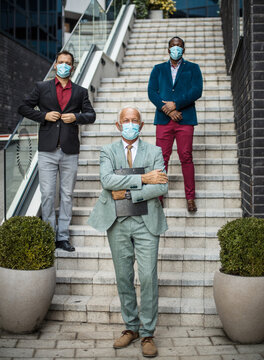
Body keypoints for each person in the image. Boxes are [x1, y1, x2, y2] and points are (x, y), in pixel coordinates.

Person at [88, 107, 168, 358]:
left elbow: (162, 185)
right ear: (117, 124)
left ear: (142, 125)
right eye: (126, 121)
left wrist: (129, 191)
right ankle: (130, 328)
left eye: (135, 121)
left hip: (146, 221)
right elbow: (107, 182)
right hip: (118, 221)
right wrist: (144, 178)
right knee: (123, 277)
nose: (130, 124)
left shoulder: (155, 151)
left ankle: (147, 333)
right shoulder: (107, 151)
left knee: (147, 277)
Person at [18, 50, 96, 252]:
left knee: (67, 195)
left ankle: (62, 237)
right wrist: (43, 116)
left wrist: (76, 117)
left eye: (67, 63)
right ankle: (48, 236)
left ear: (72, 66)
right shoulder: (41, 87)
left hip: (70, 150)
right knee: (47, 195)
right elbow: (23, 107)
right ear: (55, 65)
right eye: (60, 62)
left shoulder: (80, 91)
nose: (63, 65)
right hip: (47, 150)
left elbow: (91, 115)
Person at [148, 36, 203, 212]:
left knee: (186, 156)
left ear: (183, 49)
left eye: (179, 46)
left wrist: (176, 104)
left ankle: (190, 197)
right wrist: (168, 109)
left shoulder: (193, 68)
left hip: (185, 119)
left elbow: (197, 91)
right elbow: (151, 92)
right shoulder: (158, 69)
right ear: (168, 49)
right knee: (162, 158)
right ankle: (159, 196)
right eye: (173, 45)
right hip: (164, 120)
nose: (176, 48)